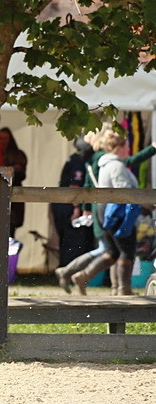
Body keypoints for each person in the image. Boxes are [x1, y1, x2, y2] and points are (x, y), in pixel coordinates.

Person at [58, 126, 156, 294]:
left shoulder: (101, 161)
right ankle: (118, 288)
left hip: (103, 210)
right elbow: (124, 191)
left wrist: (86, 208)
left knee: (112, 251)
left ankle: (95, 281)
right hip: (115, 212)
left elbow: (89, 185)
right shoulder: (108, 161)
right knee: (118, 251)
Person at [52, 137, 95, 267]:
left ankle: (64, 270)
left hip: (62, 204)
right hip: (69, 205)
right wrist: (76, 209)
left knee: (67, 242)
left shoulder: (73, 158)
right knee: (74, 242)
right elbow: (74, 187)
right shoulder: (79, 161)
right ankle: (69, 272)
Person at [0, 128, 28, 237]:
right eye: (0, 138)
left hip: (13, 196)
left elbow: (21, 173)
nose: (2, 141)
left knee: (10, 231)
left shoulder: (17, 154)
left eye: (5, 138)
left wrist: (10, 170)